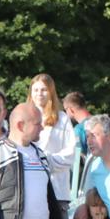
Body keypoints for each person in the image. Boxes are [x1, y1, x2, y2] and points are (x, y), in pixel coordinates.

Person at [29, 73, 78, 206]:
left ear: (51, 92)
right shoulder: (24, 117)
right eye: (36, 90)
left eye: (44, 90)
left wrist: (45, 161)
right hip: (31, 190)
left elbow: (70, 154)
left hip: (57, 190)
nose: (39, 93)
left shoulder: (62, 118)